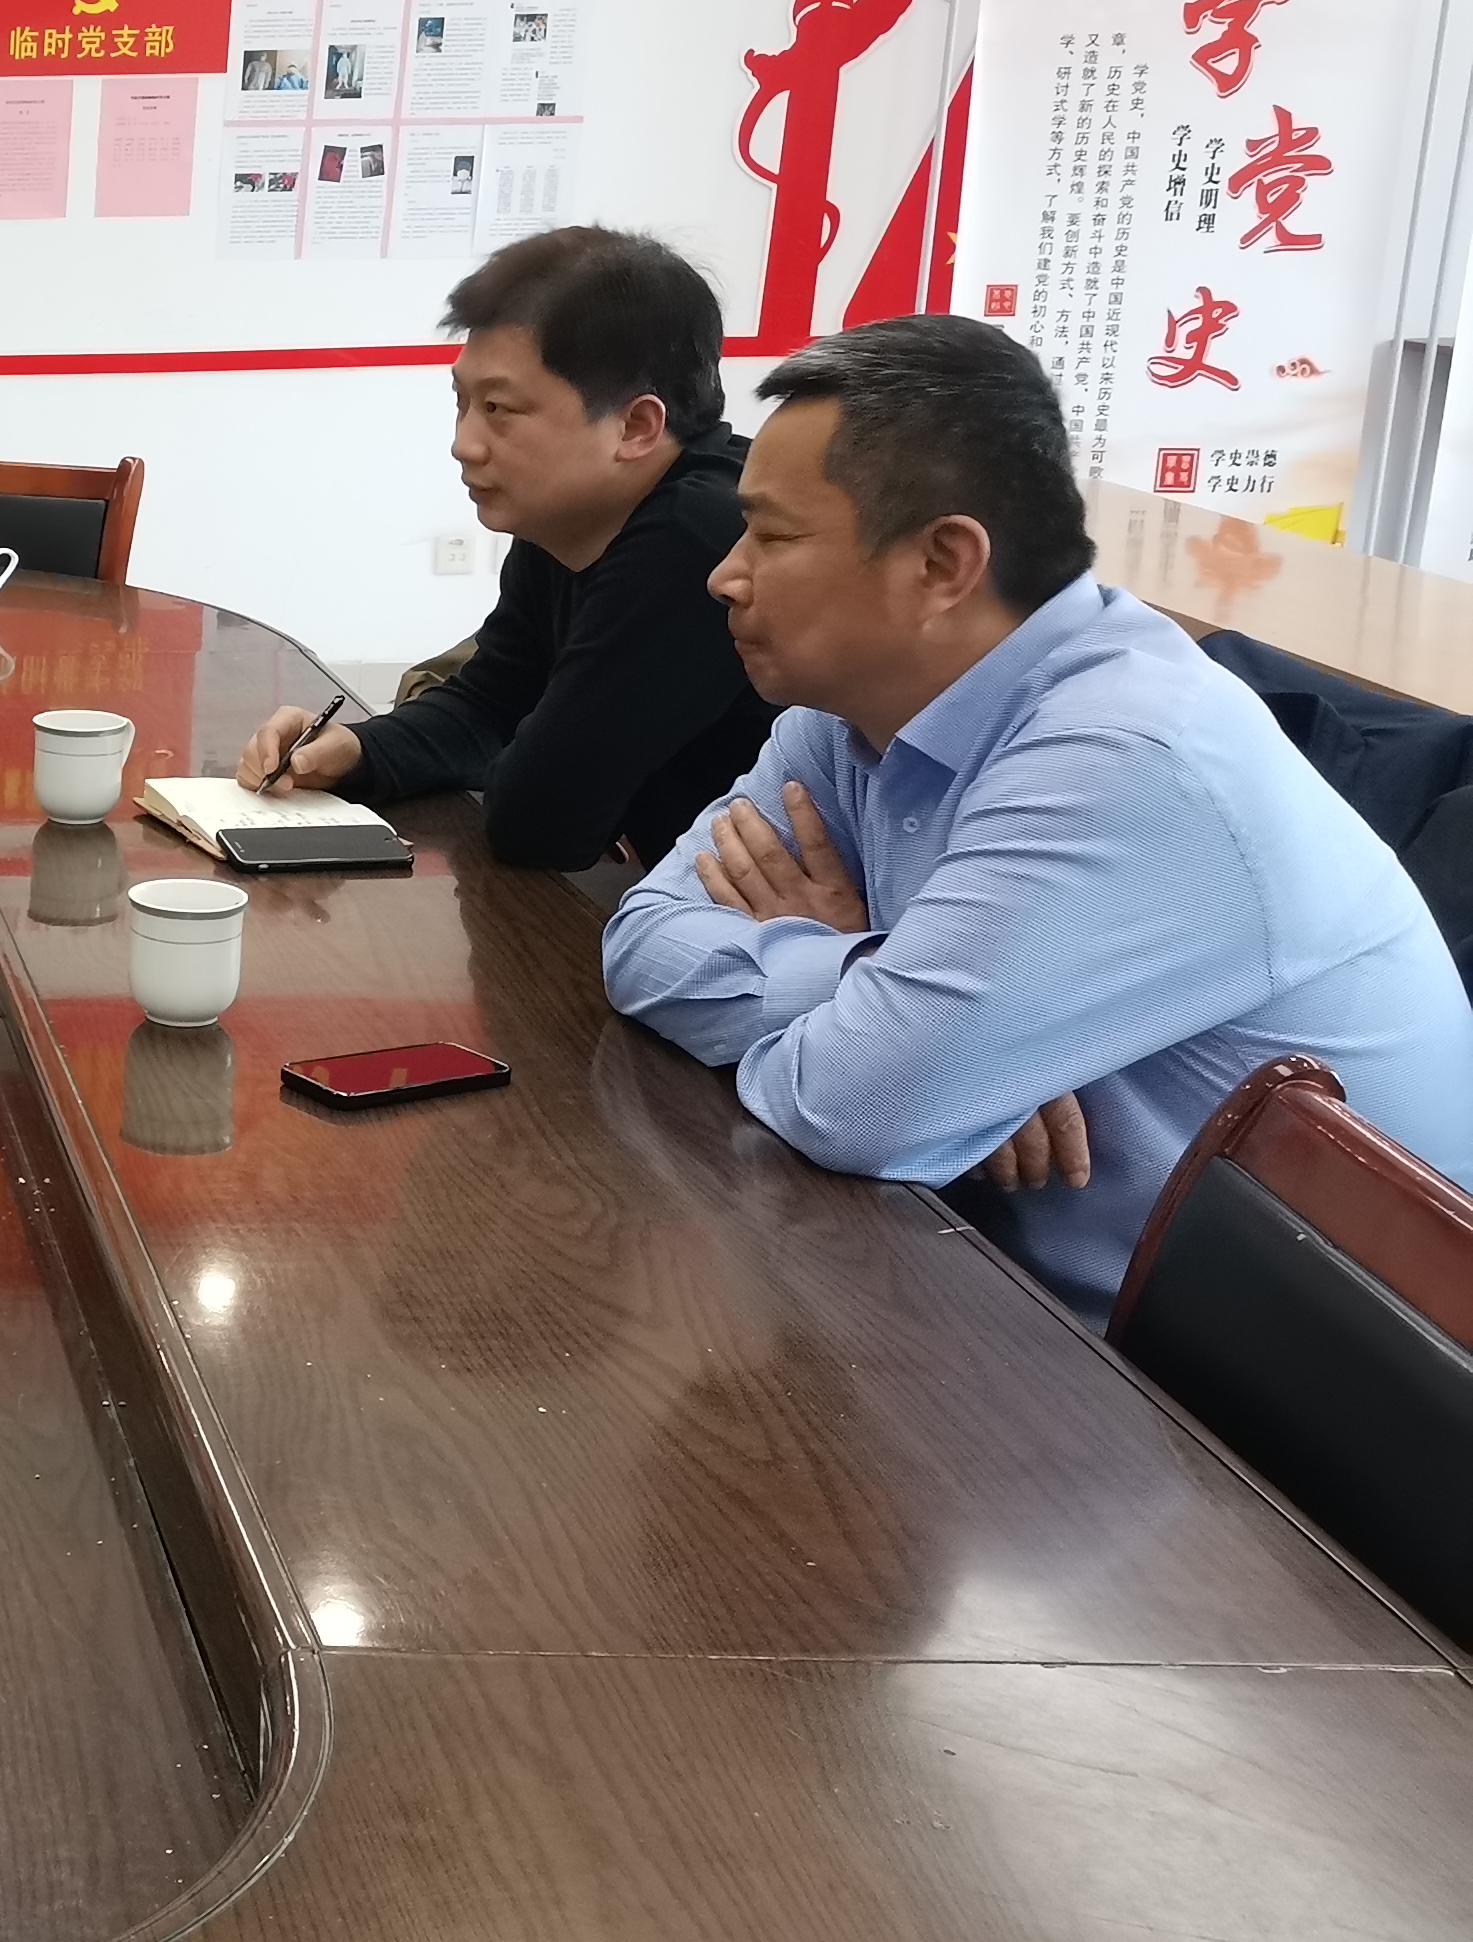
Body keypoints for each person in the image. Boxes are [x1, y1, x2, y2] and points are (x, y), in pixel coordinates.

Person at [604, 314, 1473, 1316]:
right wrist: (875, 981)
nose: (725, 573)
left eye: (773, 534)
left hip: (1278, 1379)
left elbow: (856, 1107)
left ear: (943, 564)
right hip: (1017, 1289)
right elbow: (642, 941)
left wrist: (916, 1044)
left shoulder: (1124, 754)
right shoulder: (845, 715)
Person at [241, 224, 776, 870]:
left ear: (636, 425)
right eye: (462, 402)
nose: (463, 443)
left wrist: (515, 760)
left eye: (498, 408)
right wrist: (358, 750)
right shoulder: (572, 515)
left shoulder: (699, 534)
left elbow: (540, 819)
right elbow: (492, 702)